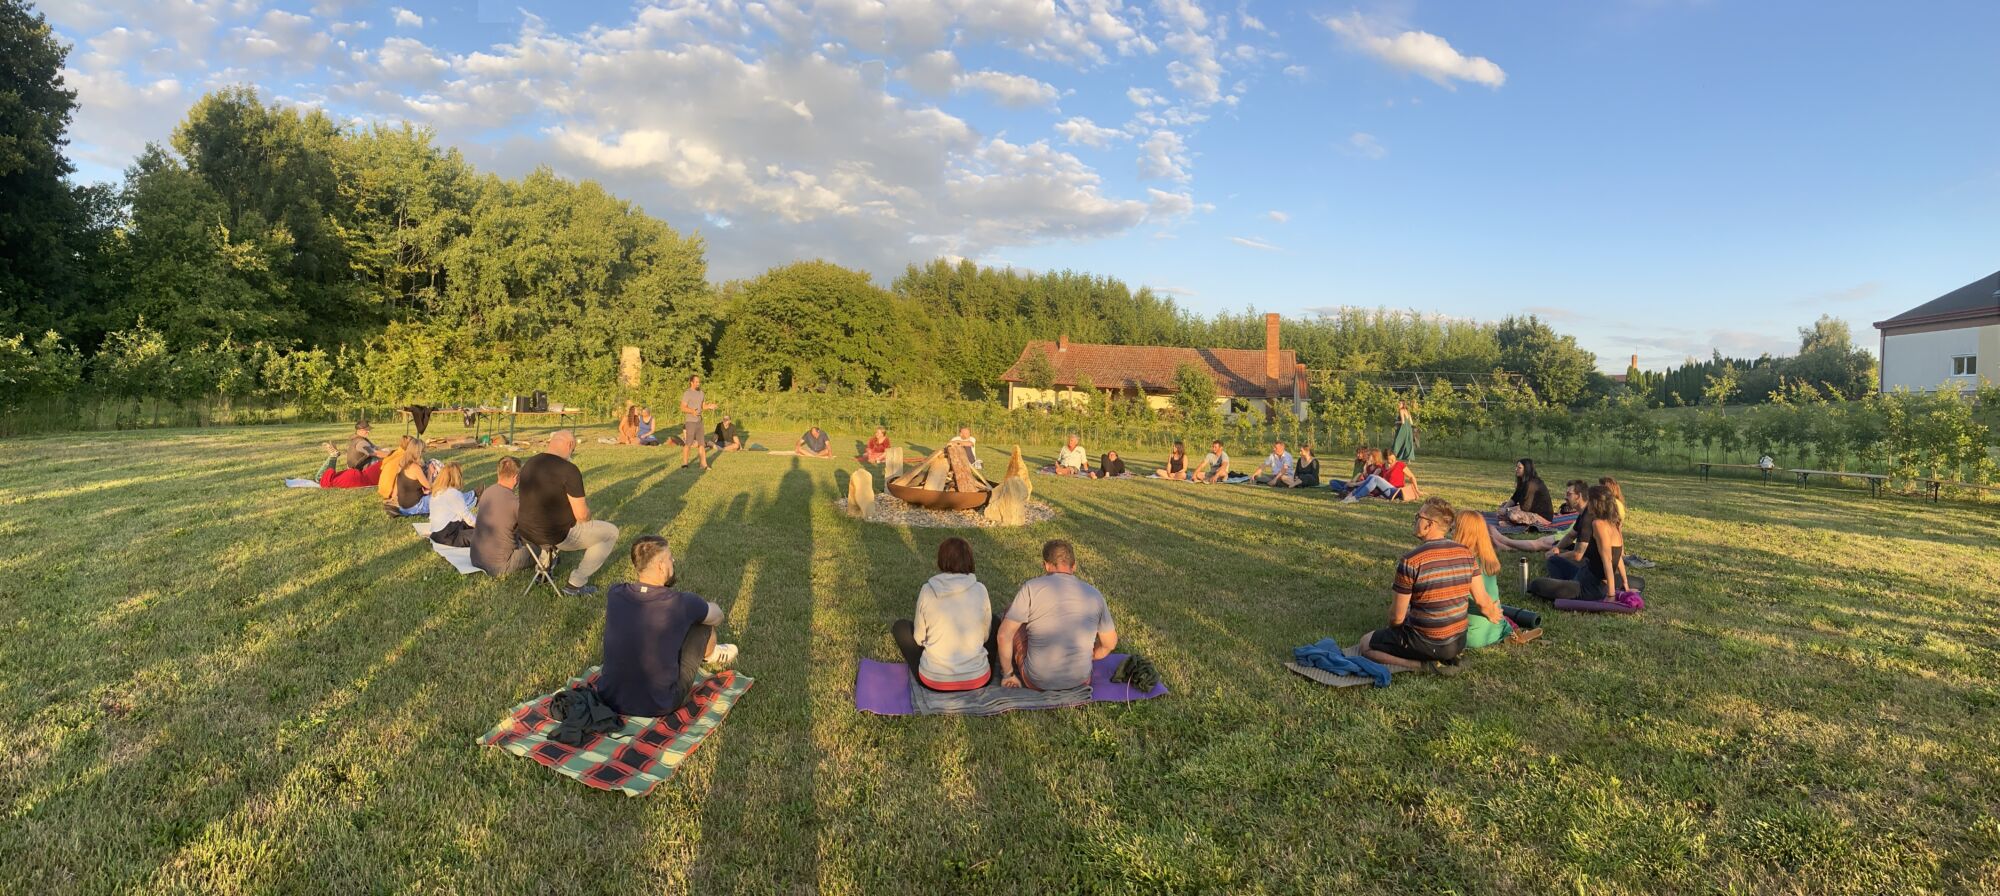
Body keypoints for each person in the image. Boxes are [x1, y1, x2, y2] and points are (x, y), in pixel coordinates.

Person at [596, 536, 739, 717]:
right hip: (659, 704)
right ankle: (711, 655)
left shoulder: (615, 593)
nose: (674, 561)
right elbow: (717, 617)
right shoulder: (681, 603)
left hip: (610, 697)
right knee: (702, 627)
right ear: (662, 567)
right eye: (671, 558)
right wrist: (701, 607)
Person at [1355, 497, 1499, 673]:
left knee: (1365, 644)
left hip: (1428, 643)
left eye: (1418, 517)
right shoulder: (1467, 555)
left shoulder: (1411, 561)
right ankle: (1440, 657)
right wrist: (1495, 614)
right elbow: (1483, 601)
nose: (1415, 520)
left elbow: (1397, 617)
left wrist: (1395, 631)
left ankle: (1420, 666)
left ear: (1429, 525)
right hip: (1459, 642)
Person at [996, 540, 1117, 691]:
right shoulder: (1094, 595)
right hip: (1080, 680)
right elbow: (1110, 644)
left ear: (1046, 565)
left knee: (1011, 613)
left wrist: (1007, 674)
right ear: (1074, 566)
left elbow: (1003, 635)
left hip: (1037, 680)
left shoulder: (1031, 588)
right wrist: (1090, 656)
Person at [515, 430, 620, 596]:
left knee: (546, 519)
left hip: (526, 532)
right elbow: (582, 515)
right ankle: (576, 584)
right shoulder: (569, 470)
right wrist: (588, 516)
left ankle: (543, 570)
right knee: (611, 532)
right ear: (570, 445)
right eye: (574, 449)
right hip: (556, 535)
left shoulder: (530, 463)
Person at [890, 537, 997, 692]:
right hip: (977, 679)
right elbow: (985, 636)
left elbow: (919, 639)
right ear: (969, 560)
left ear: (941, 559)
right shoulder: (980, 589)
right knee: (996, 621)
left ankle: (938, 666)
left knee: (901, 627)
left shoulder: (927, 590)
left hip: (934, 681)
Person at [1529, 484, 1634, 602]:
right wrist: (1625, 582)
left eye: (1590, 500)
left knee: (1536, 584)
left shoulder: (1598, 524)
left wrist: (1611, 595)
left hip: (1589, 587)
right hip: (1584, 575)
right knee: (1554, 560)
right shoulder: (1614, 524)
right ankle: (1566, 585)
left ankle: (1566, 587)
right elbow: (1618, 557)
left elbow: (1608, 560)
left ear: (1596, 503)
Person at [1452, 510, 1529, 648]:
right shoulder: (1488, 560)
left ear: (1461, 533)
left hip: (1472, 636)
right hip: (1496, 629)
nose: (1451, 533)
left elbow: (1480, 603)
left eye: (1454, 528)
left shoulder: (1460, 562)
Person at [470, 457, 532, 575]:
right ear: (516, 477)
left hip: (476, 557)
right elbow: (533, 528)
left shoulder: (487, 492)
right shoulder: (514, 502)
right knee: (538, 548)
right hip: (499, 565)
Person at [1490, 480, 1588, 552]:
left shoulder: (1586, 517)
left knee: (1540, 543)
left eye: (1569, 494)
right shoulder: (1582, 514)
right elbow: (1571, 534)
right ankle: (1506, 547)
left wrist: (1558, 549)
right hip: (1564, 536)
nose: (1565, 497)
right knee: (1541, 542)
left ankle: (1504, 541)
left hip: (1557, 531)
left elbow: (1577, 549)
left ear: (1578, 496)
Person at [309, 423, 387, 489]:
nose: (368, 432)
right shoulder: (361, 442)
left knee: (322, 477)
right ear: (359, 431)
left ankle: (333, 456)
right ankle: (333, 456)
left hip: (353, 473)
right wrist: (390, 454)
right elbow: (375, 453)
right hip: (358, 470)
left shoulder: (359, 439)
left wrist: (387, 451)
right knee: (324, 479)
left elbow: (376, 448)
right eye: (366, 430)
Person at [427, 463, 475, 545]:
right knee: (486, 535)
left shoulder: (437, 492)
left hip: (436, 534)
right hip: (449, 536)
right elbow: (468, 517)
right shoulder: (453, 493)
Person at [1498, 459, 1555, 527]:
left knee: (1513, 515)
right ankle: (1508, 519)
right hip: (1530, 511)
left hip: (1542, 517)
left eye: (1519, 468)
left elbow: (1525, 507)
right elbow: (1514, 498)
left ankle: (1511, 524)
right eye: (1516, 467)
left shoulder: (1532, 484)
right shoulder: (1523, 482)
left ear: (1526, 470)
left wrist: (1506, 510)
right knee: (1504, 505)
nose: (1516, 469)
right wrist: (1504, 508)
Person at [680, 374, 718, 470]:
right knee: (688, 443)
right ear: (691, 382)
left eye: (699, 382)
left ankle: (703, 465)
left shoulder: (701, 393)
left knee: (701, 444)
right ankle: (685, 464)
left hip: (699, 422)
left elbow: (702, 406)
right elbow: (682, 407)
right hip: (690, 422)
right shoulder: (687, 393)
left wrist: (709, 406)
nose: (698, 383)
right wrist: (692, 411)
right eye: (696, 382)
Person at [388, 439, 434, 515]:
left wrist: (393, 498)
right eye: (423, 451)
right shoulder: (415, 468)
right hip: (414, 507)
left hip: (403, 507)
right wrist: (430, 472)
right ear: (419, 452)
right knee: (442, 497)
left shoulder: (402, 464)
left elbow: (396, 484)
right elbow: (429, 486)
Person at [1341, 450, 1407, 502]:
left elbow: (1411, 477)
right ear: (1385, 459)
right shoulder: (1383, 467)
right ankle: (1352, 495)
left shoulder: (1400, 464)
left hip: (1396, 491)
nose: (1393, 460)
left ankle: (1354, 497)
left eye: (1393, 458)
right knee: (1371, 477)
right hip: (1386, 491)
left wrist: (1414, 491)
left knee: (1374, 477)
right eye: (1390, 459)